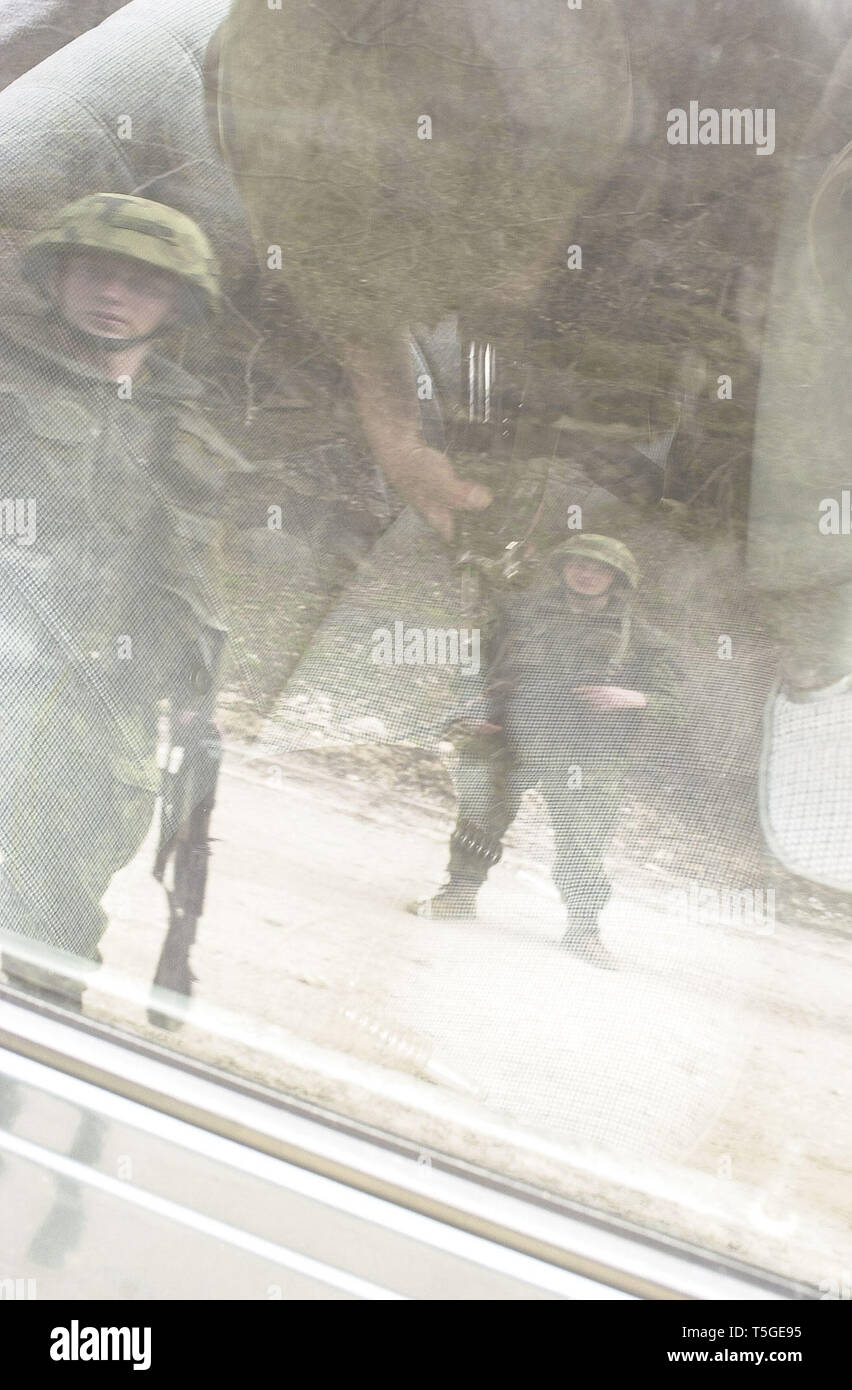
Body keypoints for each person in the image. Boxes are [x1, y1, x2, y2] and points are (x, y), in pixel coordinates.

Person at [0, 192, 251, 1009]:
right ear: (57, 278)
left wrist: (193, 695)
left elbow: (189, 581)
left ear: (176, 304)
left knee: (58, 918)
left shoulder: (181, 430)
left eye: (141, 285)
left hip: (99, 696)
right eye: (97, 275)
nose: (113, 296)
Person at [409, 535, 685, 969]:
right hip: (510, 733)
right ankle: (457, 896)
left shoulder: (644, 640)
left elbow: (678, 705)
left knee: (583, 840)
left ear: (617, 578)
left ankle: (583, 930)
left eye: (598, 568)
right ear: (563, 567)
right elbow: (474, 664)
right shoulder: (517, 613)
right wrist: (473, 703)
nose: (586, 573)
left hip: (587, 750)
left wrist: (632, 697)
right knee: (480, 817)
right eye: (578, 564)